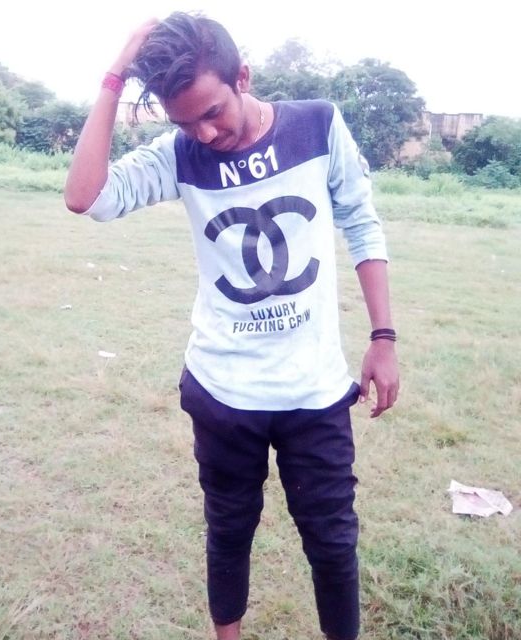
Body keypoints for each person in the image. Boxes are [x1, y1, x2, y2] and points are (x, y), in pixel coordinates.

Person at [65, 12, 399, 640]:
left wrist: (383, 337)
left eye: (213, 111)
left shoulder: (317, 125)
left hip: (314, 392)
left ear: (242, 76)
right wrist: (114, 75)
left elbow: (361, 222)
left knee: (333, 544)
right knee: (228, 532)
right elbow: (87, 197)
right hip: (222, 392)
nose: (205, 132)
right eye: (185, 121)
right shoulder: (180, 154)